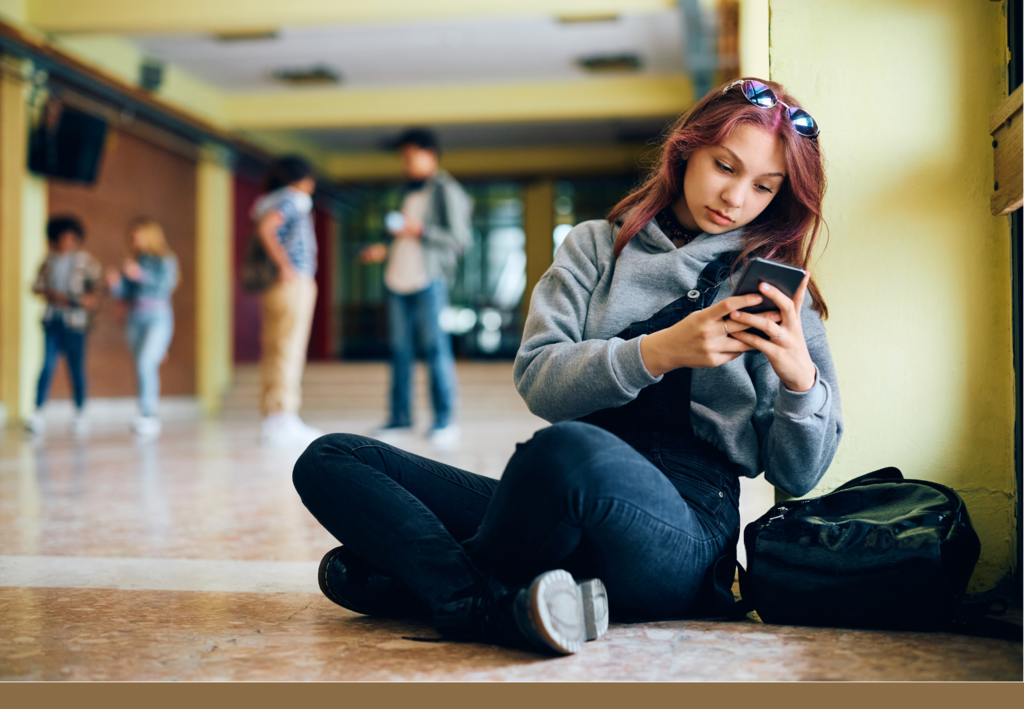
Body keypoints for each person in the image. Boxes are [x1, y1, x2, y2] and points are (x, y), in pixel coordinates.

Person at [293, 78, 842, 656]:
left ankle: (437, 585)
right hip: (557, 496)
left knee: (563, 453)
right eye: (724, 166)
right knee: (331, 457)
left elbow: (797, 476)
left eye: (763, 187)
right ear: (686, 150)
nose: (736, 198)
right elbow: (538, 380)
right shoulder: (593, 247)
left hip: (680, 528)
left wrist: (800, 382)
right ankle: (477, 602)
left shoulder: (771, 288)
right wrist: (660, 351)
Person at [359, 128, 473, 446]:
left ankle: (444, 420)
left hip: (428, 280)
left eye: (410, 157)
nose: (405, 164)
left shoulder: (448, 189)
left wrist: (420, 229)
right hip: (396, 279)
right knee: (399, 351)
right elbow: (398, 237)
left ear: (430, 154)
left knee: (436, 349)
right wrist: (381, 248)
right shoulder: (404, 191)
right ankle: (400, 418)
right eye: (402, 158)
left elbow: (459, 239)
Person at [252, 156, 323, 447]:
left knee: (274, 348)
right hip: (293, 282)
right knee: (289, 348)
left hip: (273, 287)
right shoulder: (296, 199)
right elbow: (268, 228)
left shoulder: (266, 201)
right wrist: (285, 265)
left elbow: (264, 224)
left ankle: (273, 417)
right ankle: (284, 416)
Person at [26, 216, 102, 437]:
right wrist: (50, 295)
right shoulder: (49, 260)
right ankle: (38, 411)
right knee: (47, 366)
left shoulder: (86, 261)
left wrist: (87, 300)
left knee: (76, 368)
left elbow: (97, 289)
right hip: (52, 320)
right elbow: (36, 286)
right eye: (61, 237)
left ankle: (80, 412)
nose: (66, 241)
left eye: (70, 237)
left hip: (75, 323)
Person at [106, 218, 179, 437]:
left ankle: (149, 414)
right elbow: (125, 293)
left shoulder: (165, 260)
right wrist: (115, 285)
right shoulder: (133, 260)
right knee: (141, 365)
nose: (134, 239)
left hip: (157, 315)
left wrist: (140, 275)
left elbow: (165, 286)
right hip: (135, 317)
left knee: (147, 360)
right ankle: (143, 411)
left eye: (137, 234)